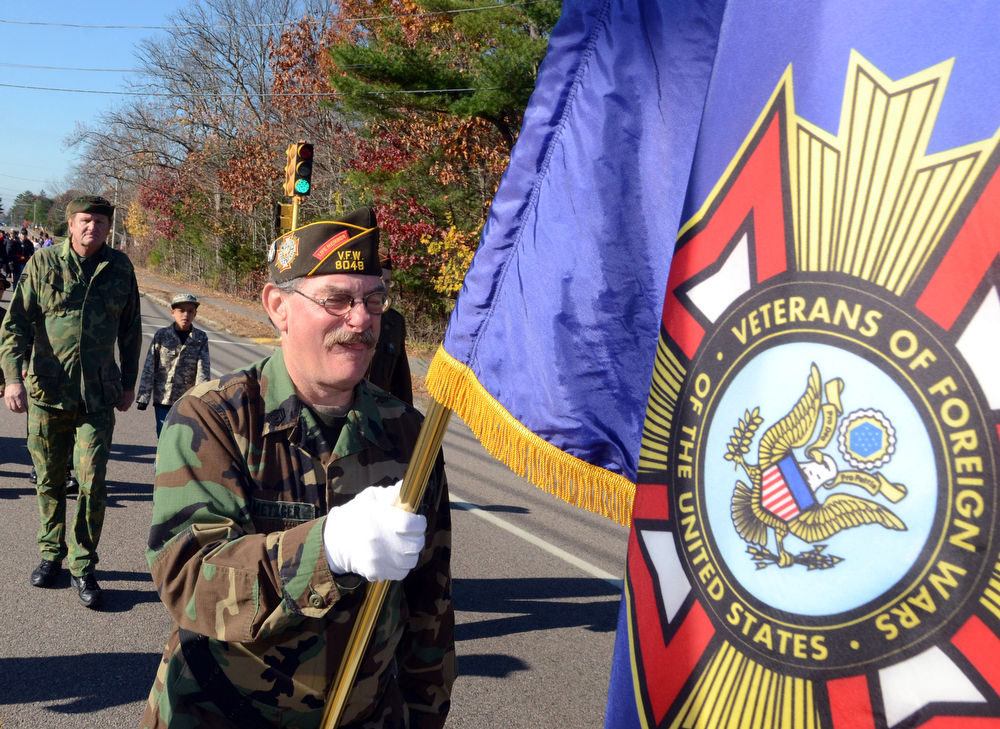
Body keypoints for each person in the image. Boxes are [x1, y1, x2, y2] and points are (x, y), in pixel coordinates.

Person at [142, 208, 454, 729]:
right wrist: (327, 550)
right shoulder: (213, 418)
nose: (360, 320)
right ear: (278, 307)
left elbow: (430, 605)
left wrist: (423, 716)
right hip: (224, 711)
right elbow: (191, 580)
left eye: (373, 299)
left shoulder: (409, 435)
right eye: (337, 299)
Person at [0, 195, 141, 609]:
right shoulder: (44, 265)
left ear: (108, 227)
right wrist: (12, 379)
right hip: (47, 392)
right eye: (85, 220)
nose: (92, 227)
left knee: (92, 483)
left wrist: (130, 382)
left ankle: (83, 564)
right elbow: (15, 326)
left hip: (97, 396)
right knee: (48, 481)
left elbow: (131, 330)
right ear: (70, 223)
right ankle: (51, 553)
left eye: (100, 221)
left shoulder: (120, 268)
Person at [136, 293, 211, 437]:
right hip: (163, 398)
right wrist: (143, 397)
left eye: (190, 311)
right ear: (172, 312)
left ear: (195, 314)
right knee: (164, 438)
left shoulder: (200, 338)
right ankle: (160, 461)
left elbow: (203, 369)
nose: (186, 315)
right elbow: (150, 366)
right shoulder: (162, 335)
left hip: (187, 399)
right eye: (181, 310)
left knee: (183, 438)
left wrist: (201, 398)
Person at [366, 247, 413, 405]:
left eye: (387, 282)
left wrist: (408, 419)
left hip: (379, 414)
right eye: (379, 280)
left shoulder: (395, 323)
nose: (383, 287)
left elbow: (401, 380)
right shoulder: (350, 316)